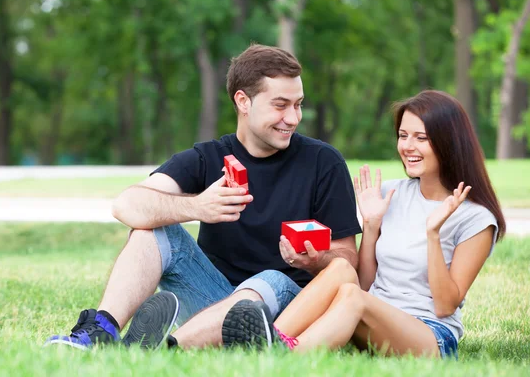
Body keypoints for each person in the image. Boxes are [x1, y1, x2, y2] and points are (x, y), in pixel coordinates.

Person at [44, 44, 361, 350]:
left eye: (298, 104)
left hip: (284, 312)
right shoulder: (207, 157)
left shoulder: (323, 162)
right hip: (211, 300)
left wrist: (316, 260)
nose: (293, 117)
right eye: (281, 105)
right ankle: (101, 330)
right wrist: (197, 206)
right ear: (243, 101)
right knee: (153, 229)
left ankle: (169, 348)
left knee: (272, 279)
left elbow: (347, 260)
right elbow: (126, 204)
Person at [221, 90, 506, 359]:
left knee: (352, 297)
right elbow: (367, 283)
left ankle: (282, 355)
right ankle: (273, 337)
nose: (408, 146)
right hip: (370, 316)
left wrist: (433, 234)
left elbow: (445, 305)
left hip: (430, 334)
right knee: (343, 270)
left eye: (421, 138)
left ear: (448, 142)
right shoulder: (391, 194)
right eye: (403, 135)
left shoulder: (476, 218)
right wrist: (371, 225)